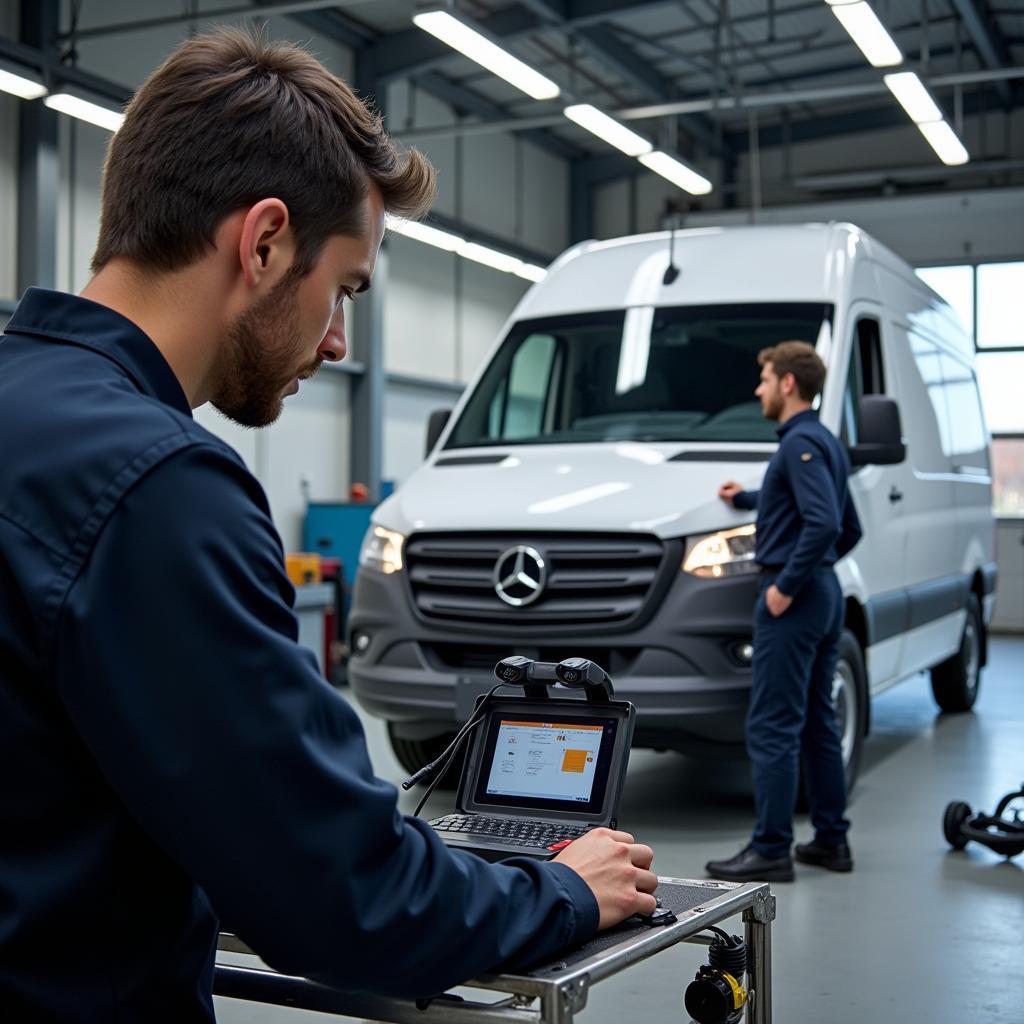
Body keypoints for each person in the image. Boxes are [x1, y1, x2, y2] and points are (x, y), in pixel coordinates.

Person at [0, 29, 657, 1020]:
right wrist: (563, 888)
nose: (341, 339)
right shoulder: (159, 488)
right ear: (263, 243)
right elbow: (348, 902)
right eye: (344, 286)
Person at [705, 341, 862, 883]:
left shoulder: (799, 445)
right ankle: (830, 842)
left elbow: (821, 524)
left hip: (792, 601)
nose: (759, 389)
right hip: (823, 596)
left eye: (765, 379)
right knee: (819, 720)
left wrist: (788, 585)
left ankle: (771, 848)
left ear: (788, 384)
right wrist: (748, 498)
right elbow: (847, 526)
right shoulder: (824, 443)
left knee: (773, 722)